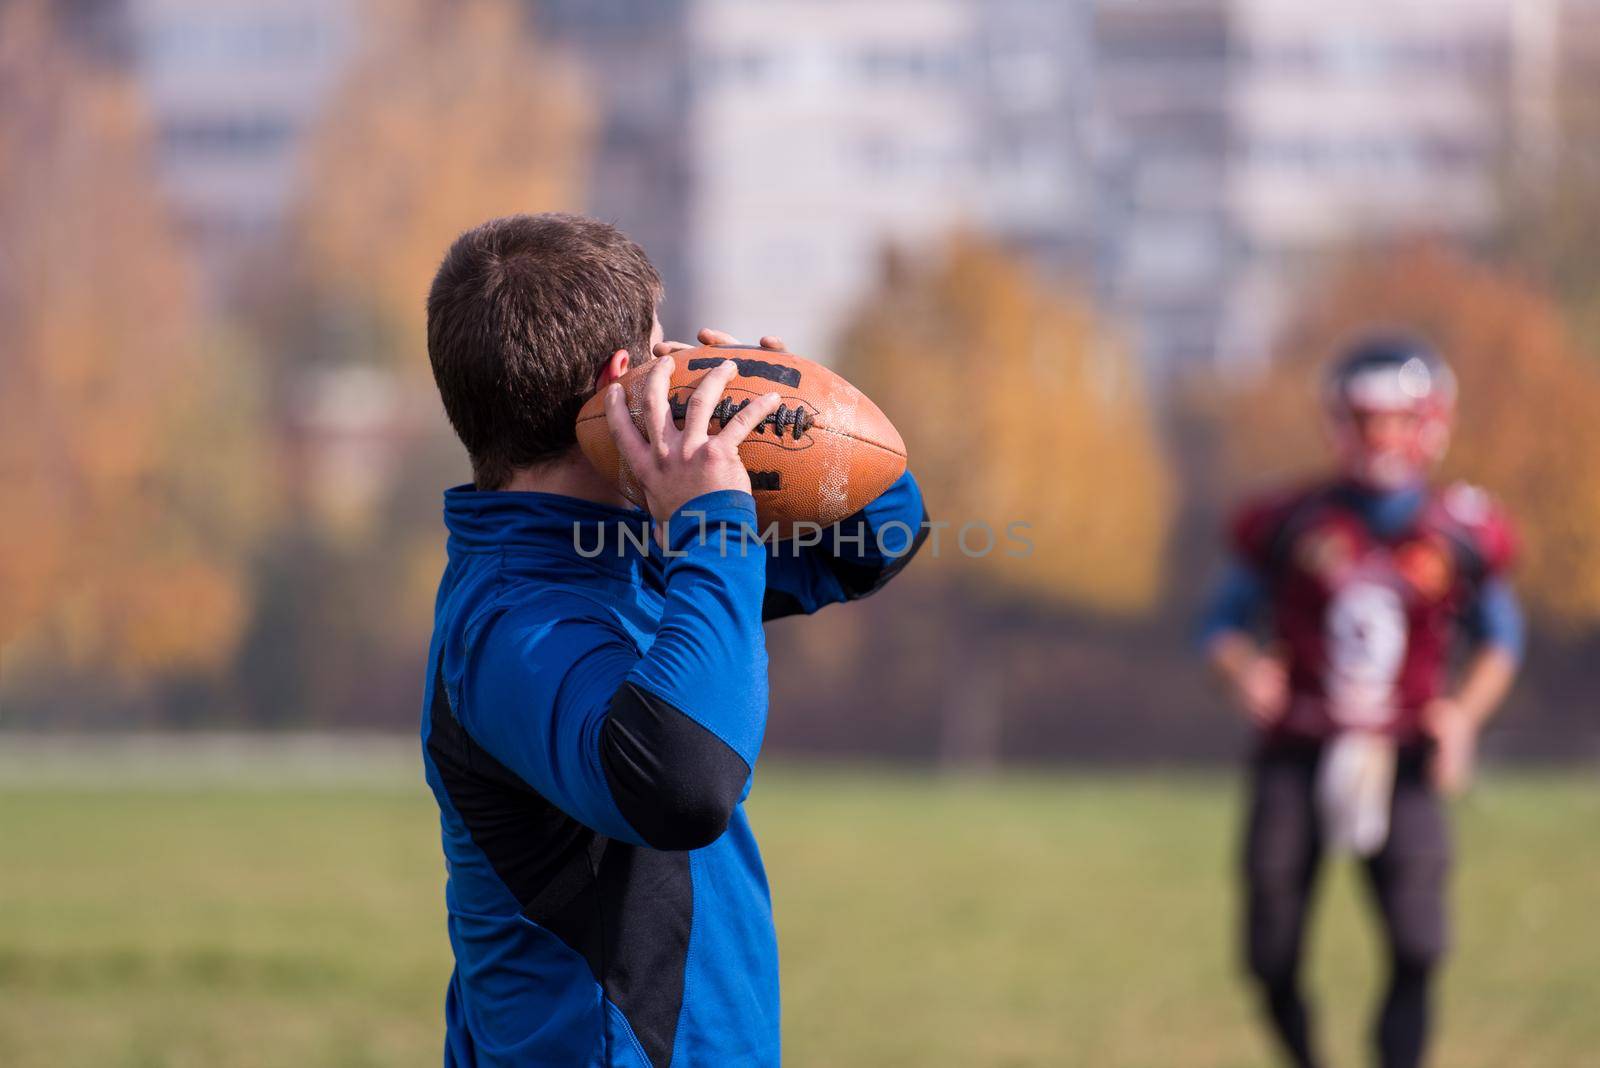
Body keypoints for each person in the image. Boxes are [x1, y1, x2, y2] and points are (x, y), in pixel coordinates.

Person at [419, 213, 926, 1066]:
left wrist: (800, 414)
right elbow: (684, 782)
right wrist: (714, 528)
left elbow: (877, 541)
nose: (689, 369)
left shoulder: (622, 547)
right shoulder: (513, 620)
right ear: (623, 384)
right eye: (668, 352)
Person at [1198, 334, 1523, 1068]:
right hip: (1298, 745)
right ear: (1337, 422)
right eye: (1365, 419)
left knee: (1419, 942)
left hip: (1404, 751)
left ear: (1429, 423)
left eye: (1395, 420)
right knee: (1269, 949)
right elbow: (1220, 622)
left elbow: (1501, 636)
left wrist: (1462, 716)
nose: (1380, 438)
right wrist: (1244, 669)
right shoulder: (1292, 521)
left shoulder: (1459, 529)